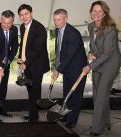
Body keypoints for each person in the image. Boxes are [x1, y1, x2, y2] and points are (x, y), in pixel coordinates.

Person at [82, 1, 121, 136]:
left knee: (100, 97)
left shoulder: (110, 29)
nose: (96, 13)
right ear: (91, 12)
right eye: (94, 11)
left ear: (104, 13)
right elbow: (94, 46)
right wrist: (91, 53)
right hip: (98, 62)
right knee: (98, 95)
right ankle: (107, 122)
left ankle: (96, 128)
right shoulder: (91, 26)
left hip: (110, 65)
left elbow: (107, 54)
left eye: (99, 11)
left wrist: (90, 66)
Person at [51, 9, 87, 129]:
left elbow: (70, 56)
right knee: (67, 94)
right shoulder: (59, 30)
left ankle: (72, 121)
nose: (56, 22)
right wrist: (58, 67)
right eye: (54, 19)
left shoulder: (73, 33)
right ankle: (66, 116)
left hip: (78, 70)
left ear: (65, 19)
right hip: (68, 68)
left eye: (59, 19)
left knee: (75, 96)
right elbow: (60, 50)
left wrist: (58, 70)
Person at [17, 4, 50, 123]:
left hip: (37, 65)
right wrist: (20, 58)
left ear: (31, 13)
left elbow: (38, 49)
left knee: (35, 92)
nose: (24, 17)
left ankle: (33, 118)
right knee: (30, 91)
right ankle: (33, 114)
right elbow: (24, 44)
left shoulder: (39, 28)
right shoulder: (22, 27)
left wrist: (26, 63)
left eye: (26, 14)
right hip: (27, 64)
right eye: (21, 15)